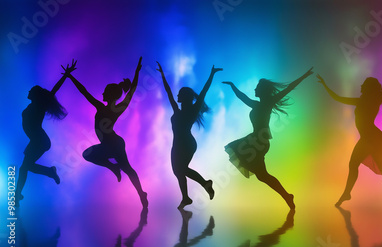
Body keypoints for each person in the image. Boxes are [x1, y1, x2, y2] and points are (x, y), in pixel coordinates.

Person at [317, 59, 382, 208]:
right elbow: (337, 98)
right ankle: (347, 193)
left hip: (374, 138)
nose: (361, 86)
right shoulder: (360, 101)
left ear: (368, 88)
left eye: (364, 84)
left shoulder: (372, 100)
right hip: (368, 138)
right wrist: (325, 85)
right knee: (354, 164)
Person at [223, 67, 313, 210]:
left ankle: (287, 196)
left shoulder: (268, 102)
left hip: (259, 142)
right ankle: (287, 196)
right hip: (255, 140)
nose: (254, 89)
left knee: (262, 175)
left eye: (257, 87)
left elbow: (289, 87)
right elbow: (242, 97)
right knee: (262, 176)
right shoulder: (257, 104)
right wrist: (233, 86)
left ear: (263, 90)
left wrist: (305, 75)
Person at [65, 57, 148, 208]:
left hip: (112, 143)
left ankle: (119, 172)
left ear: (109, 95)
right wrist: (136, 72)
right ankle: (139, 191)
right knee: (127, 168)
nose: (102, 93)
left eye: (105, 91)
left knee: (93, 156)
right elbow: (132, 90)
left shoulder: (103, 107)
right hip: (113, 143)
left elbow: (85, 92)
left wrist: (70, 76)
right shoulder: (115, 107)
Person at [157, 63, 221, 209]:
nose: (177, 96)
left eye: (180, 94)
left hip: (187, 143)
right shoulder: (177, 110)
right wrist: (162, 75)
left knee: (181, 169)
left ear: (185, 97)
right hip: (177, 144)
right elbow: (168, 93)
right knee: (178, 171)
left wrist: (212, 74)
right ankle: (186, 198)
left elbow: (204, 91)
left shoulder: (192, 110)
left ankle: (205, 183)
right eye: (178, 94)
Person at [16, 60, 77, 204]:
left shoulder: (39, 105)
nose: (28, 92)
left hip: (40, 140)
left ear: (36, 94)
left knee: (25, 167)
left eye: (31, 91)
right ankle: (17, 195)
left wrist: (66, 75)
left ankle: (48, 173)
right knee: (24, 167)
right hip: (36, 140)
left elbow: (54, 90)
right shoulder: (33, 105)